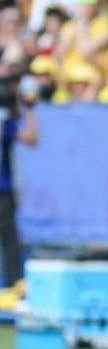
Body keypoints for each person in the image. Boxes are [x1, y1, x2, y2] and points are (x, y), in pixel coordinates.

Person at [0, 66, 37, 297]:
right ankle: (15, 286)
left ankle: (15, 287)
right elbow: (32, 137)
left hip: (3, 188)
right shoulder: (4, 121)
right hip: (3, 189)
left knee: (10, 240)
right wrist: (28, 109)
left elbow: (30, 139)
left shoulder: (5, 121)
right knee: (9, 240)